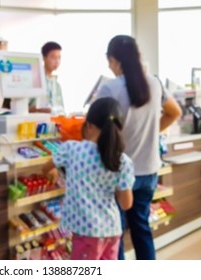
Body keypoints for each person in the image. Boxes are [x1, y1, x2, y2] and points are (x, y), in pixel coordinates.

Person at [96, 35, 182, 260]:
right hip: (149, 171)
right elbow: (175, 112)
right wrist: (152, 131)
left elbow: (96, 132)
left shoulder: (110, 88)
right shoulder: (154, 82)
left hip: (118, 174)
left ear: (113, 59)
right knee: (141, 228)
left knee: (116, 233)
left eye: (109, 61)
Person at [42, 97, 134, 260]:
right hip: (112, 230)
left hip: (86, 233)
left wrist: (58, 171)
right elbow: (126, 204)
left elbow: (46, 168)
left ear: (89, 125)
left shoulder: (71, 149)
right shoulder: (122, 161)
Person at [29, 41, 65, 115]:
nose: (57, 61)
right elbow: (22, 108)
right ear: (44, 57)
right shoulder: (35, 79)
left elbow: (61, 109)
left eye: (59, 57)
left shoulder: (56, 85)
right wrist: (38, 109)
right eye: (53, 57)